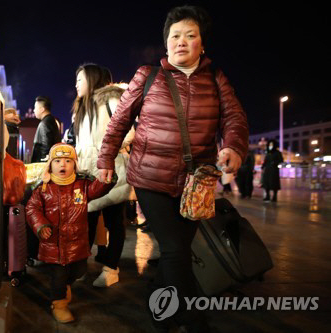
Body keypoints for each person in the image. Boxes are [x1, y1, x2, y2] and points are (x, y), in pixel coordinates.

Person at [97, 5, 248, 332]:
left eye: (190, 35)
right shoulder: (147, 76)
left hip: (195, 182)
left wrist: (235, 147)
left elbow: (234, 119)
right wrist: (105, 160)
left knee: (174, 252)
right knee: (175, 248)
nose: (182, 41)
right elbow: (119, 122)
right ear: (166, 44)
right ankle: (193, 319)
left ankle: (157, 302)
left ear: (202, 44)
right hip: (151, 177)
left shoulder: (216, 79)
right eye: (175, 36)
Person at [25, 143, 116, 323]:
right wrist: (41, 226)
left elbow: (96, 190)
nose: (62, 165)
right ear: (50, 164)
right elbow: (31, 208)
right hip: (54, 242)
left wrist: (106, 180)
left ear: (75, 164)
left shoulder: (81, 184)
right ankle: (59, 304)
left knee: (80, 269)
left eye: (68, 161)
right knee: (58, 274)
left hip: (77, 241)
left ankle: (65, 285)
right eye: (57, 161)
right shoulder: (43, 187)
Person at [72, 63, 134, 287]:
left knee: (114, 221)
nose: (76, 84)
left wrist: (105, 150)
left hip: (111, 172)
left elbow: (130, 133)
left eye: (80, 79)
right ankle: (80, 266)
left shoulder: (112, 101)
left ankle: (111, 269)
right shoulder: (81, 109)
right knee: (85, 221)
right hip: (87, 175)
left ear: (93, 79)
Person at [30, 96, 61, 163]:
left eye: (35, 108)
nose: (34, 110)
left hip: (42, 166)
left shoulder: (44, 123)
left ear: (42, 109)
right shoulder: (52, 121)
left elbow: (46, 146)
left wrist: (44, 164)